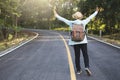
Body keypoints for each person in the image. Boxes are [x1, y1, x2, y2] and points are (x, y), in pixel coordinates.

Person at [53, 7, 99, 76]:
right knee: (85, 55)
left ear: (75, 17)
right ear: (81, 17)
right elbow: (90, 17)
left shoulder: (71, 23)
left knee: (77, 56)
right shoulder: (84, 22)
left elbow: (62, 19)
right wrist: (96, 12)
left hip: (75, 42)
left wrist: (55, 14)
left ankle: (78, 70)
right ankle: (86, 67)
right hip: (83, 41)